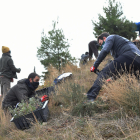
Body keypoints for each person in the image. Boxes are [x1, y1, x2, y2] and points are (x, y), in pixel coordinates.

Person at [86, 32, 140, 103]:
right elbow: (119, 68)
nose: (101, 46)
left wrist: (94, 66)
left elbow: (104, 51)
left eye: (100, 43)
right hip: (137, 59)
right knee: (130, 79)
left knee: (104, 72)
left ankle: (90, 98)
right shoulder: (119, 46)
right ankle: (133, 100)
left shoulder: (110, 37)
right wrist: (112, 78)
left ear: (104, 38)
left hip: (129, 55)